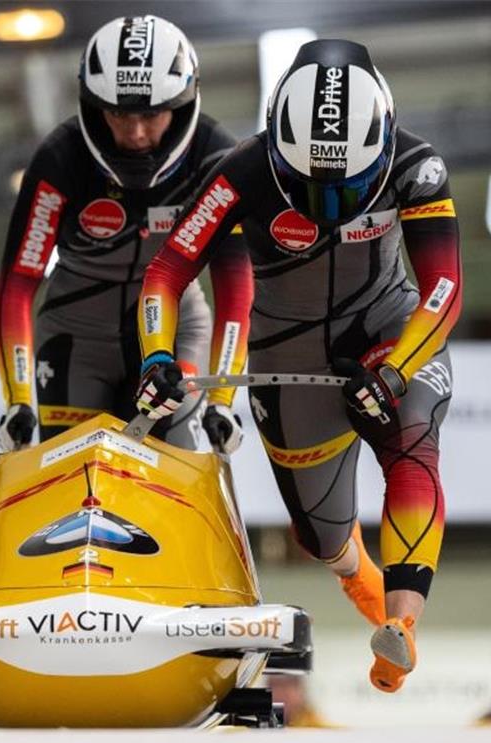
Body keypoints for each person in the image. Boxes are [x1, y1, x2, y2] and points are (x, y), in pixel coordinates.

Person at [133, 39, 462, 693]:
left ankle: (402, 625)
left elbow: (443, 291)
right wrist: (159, 356)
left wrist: (396, 371)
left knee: (412, 438)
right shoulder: (241, 173)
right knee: (322, 536)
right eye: (311, 188)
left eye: (348, 190)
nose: (329, 206)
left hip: (391, 336)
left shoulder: (418, 168)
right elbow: (167, 273)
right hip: (288, 359)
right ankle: (356, 573)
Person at [0, 15, 248, 450]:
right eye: (117, 113)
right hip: (75, 340)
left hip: (173, 335)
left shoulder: (215, 157)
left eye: (151, 114)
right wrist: (18, 399)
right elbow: (18, 282)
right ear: (93, 107)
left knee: (169, 480)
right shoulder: (60, 158)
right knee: (71, 486)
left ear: (183, 103)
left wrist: (222, 398)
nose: (135, 133)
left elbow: (237, 283)